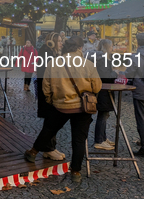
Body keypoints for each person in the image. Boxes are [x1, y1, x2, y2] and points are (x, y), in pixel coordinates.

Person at [25, 35, 102, 183]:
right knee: (79, 140)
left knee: (48, 130)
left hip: (60, 105)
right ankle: (76, 172)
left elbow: (45, 86)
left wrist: (51, 100)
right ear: (80, 48)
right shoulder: (88, 64)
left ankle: (33, 152)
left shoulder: (54, 63)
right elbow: (97, 86)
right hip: (82, 108)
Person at [34, 32, 66, 161]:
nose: (61, 43)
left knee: (51, 120)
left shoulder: (52, 53)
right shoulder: (47, 53)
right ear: (51, 42)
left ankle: (50, 147)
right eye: (58, 41)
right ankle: (48, 148)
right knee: (50, 120)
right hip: (47, 92)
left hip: (51, 91)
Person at [92, 39, 117, 150]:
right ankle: (99, 140)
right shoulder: (102, 60)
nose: (113, 48)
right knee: (102, 115)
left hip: (106, 92)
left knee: (105, 115)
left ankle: (103, 137)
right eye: (111, 46)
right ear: (107, 47)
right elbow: (105, 76)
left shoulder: (105, 59)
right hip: (103, 92)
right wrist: (115, 73)